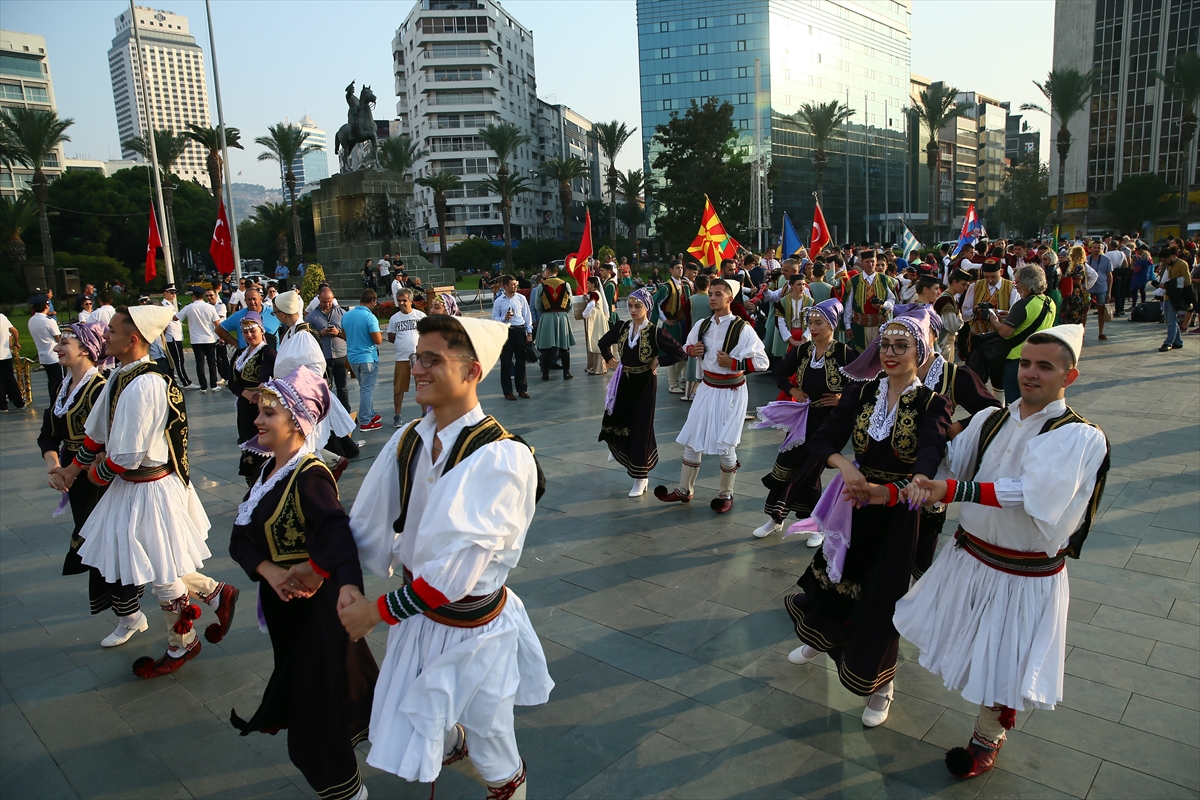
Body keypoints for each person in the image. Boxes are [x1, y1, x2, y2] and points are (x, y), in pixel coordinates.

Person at [340, 314, 553, 798]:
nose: (418, 368)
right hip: (419, 616)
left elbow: (454, 573)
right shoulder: (409, 438)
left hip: (474, 629)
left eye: (433, 360)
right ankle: (453, 738)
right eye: (418, 357)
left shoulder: (500, 457)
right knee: (421, 724)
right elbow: (366, 523)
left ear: (473, 371)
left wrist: (373, 612)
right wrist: (333, 575)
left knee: (493, 746)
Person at [894, 325, 1109, 780]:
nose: (1030, 374)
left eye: (1044, 367)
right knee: (965, 642)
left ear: (1068, 377)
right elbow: (952, 457)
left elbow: (1035, 493)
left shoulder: (1080, 437)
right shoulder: (991, 419)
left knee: (1006, 659)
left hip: (1023, 571)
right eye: (1025, 363)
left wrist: (953, 489)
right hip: (970, 555)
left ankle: (988, 735)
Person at [782, 314, 951, 728]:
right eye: (884, 345)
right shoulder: (860, 393)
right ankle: (821, 639)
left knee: (881, 597)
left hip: (897, 512)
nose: (889, 353)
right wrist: (844, 465)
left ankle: (881, 685)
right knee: (834, 577)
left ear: (920, 353)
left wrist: (918, 479)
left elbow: (929, 451)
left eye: (901, 346)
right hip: (853, 502)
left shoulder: (931, 403)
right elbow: (824, 437)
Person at [62, 304, 237, 678]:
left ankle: (182, 641)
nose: (105, 335)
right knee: (147, 557)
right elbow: (96, 432)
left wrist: (95, 475)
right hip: (136, 486)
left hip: (150, 487)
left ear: (133, 338)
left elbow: (126, 453)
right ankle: (213, 593)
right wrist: (73, 468)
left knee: (158, 567)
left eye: (111, 330)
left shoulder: (146, 383)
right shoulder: (122, 374)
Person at [228, 367, 379, 800]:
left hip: (318, 611)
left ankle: (346, 793)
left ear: (298, 420)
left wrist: (343, 586)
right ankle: (437, 741)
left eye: (269, 412)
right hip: (287, 610)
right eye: (259, 410)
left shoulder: (308, 475)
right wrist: (271, 572)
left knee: (316, 715)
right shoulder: (268, 473)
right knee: (352, 693)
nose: (258, 419)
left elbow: (337, 535)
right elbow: (239, 540)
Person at [39, 321, 146, 646]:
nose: (57, 348)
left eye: (64, 343)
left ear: (85, 348)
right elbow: (48, 433)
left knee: (107, 544)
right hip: (77, 477)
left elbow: (110, 438)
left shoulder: (100, 386)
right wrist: (55, 467)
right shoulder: (63, 388)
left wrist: (78, 467)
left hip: (100, 479)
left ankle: (130, 614)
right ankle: (131, 613)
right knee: (99, 545)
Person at [655, 279, 769, 513]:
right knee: (692, 440)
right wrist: (691, 350)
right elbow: (687, 346)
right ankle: (685, 490)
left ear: (730, 298)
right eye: (711, 294)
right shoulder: (702, 325)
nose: (713, 298)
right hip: (706, 388)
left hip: (732, 393)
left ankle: (726, 494)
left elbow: (762, 361)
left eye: (719, 294)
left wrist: (734, 362)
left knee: (726, 445)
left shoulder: (742, 328)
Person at [753, 298, 858, 542]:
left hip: (831, 423)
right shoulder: (802, 351)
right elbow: (779, 371)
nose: (813, 327)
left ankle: (815, 526)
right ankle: (776, 519)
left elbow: (864, 383)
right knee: (786, 464)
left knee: (810, 472)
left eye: (819, 322)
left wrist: (842, 398)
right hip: (804, 417)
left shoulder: (845, 353)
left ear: (832, 324)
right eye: (810, 322)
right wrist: (792, 390)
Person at [598, 288, 687, 497]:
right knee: (614, 417)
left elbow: (680, 352)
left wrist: (659, 360)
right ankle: (616, 447)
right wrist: (610, 360)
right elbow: (603, 342)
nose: (633, 310)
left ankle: (641, 477)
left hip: (645, 383)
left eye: (637, 306)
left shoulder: (655, 332)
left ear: (647, 307)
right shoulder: (622, 327)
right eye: (630, 306)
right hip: (624, 379)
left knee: (641, 427)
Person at [272, 290, 359, 478]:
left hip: (303, 398)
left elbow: (315, 367)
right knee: (304, 446)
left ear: (282, 313)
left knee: (307, 445)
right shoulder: (293, 332)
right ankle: (326, 468)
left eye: (275, 312)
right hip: (293, 397)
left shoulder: (303, 335)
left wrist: (292, 385)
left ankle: (322, 476)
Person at [978, 265, 1057, 404]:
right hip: (1039, 358)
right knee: (1032, 403)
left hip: (1017, 360)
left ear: (1027, 283)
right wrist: (1011, 316)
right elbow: (1032, 321)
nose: (1016, 286)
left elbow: (1004, 332)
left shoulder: (1023, 304)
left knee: (1015, 405)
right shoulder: (1049, 302)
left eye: (1017, 282)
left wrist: (992, 319)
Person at [229, 311, 277, 484]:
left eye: (252, 331)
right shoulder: (240, 354)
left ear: (261, 330)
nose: (249, 335)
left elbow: (265, 374)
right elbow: (231, 382)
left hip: (261, 407)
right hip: (244, 405)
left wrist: (261, 387)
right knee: (246, 441)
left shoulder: (268, 353)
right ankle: (252, 482)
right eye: (245, 332)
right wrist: (246, 393)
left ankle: (264, 481)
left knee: (262, 445)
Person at [344, 290, 383, 431]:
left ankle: (370, 413)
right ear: (372, 301)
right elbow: (378, 340)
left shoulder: (347, 315)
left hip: (353, 358)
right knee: (367, 390)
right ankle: (365, 420)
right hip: (368, 357)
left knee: (364, 388)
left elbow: (344, 335)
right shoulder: (369, 317)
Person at [307, 286, 350, 411]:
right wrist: (321, 333)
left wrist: (338, 332)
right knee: (325, 388)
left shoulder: (342, 313)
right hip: (323, 356)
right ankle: (328, 414)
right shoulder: (312, 316)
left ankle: (346, 412)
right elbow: (307, 337)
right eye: (324, 301)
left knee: (342, 387)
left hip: (341, 354)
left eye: (330, 301)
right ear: (318, 299)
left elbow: (349, 334)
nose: (327, 304)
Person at [387, 288, 425, 426]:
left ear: (410, 300)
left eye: (404, 300)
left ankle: (425, 412)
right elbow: (391, 337)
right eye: (399, 301)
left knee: (422, 384)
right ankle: (397, 415)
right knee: (399, 387)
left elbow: (426, 334)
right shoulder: (394, 318)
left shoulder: (420, 316)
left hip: (418, 356)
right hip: (401, 357)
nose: (402, 303)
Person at [843, 250, 897, 349]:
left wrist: (883, 305)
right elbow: (848, 306)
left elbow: (892, 300)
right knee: (860, 355)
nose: (870, 264)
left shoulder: (885, 280)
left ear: (876, 261)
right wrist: (848, 326)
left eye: (872, 261)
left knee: (879, 356)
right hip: (860, 326)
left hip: (880, 326)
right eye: (867, 262)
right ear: (862, 262)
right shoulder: (853, 282)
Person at [652, 261, 691, 392]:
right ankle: (672, 384)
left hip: (683, 322)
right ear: (671, 270)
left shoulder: (685, 284)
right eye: (677, 268)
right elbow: (656, 303)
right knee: (672, 352)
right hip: (673, 324)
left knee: (684, 351)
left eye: (681, 267)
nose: (680, 270)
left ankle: (680, 378)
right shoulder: (667, 287)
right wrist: (665, 319)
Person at [173, 287, 222, 393]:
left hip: (196, 340)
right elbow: (217, 323)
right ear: (203, 296)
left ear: (193, 296)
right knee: (212, 363)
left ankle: (203, 386)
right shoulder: (210, 307)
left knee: (199, 363)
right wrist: (221, 336)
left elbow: (176, 318)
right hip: (209, 338)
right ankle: (213, 385)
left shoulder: (189, 307)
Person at [492, 274, 533, 401]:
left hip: (519, 330)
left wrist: (529, 332)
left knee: (521, 361)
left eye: (516, 284)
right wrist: (504, 318)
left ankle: (522, 388)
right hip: (506, 331)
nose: (515, 286)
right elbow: (494, 319)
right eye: (512, 284)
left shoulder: (521, 298)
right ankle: (508, 391)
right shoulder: (499, 301)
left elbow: (527, 315)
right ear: (505, 286)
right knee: (506, 362)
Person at [534, 263, 575, 381]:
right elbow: (570, 303)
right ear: (557, 271)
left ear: (547, 271)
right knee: (564, 346)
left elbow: (538, 304)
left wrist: (545, 312)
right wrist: (563, 311)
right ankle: (566, 373)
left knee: (545, 347)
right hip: (562, 316)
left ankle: (545, 373)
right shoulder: (565, 284)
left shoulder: (542, 285)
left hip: (547, 316)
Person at [29, 296, 63, 402]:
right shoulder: (48, 321)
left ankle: (53, 400)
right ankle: (59, 402)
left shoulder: (31, 320)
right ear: (46, 306)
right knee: (60, 381)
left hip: (43, 355)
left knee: (51, 381)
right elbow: (59, 339)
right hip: (54, 356)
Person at [161, 284, 194, 389]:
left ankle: (172, 381)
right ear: (165, 293)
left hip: (176, 336)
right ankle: (186, 382)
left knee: (175, 360)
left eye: (175, 292)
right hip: (172, 336)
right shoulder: (164, 306)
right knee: (178, 360)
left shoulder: (170, 305)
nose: (173, 295)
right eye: (171, 292)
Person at [1159, 247, 1190, 352]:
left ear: (1171, 256)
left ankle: (1168, 342)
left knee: (1171, 320)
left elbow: (1187, 281)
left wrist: (1171, 285)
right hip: (1168, 295)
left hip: (1176, 296)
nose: (1164, 263)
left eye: (1165, 260)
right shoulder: (1170, 266)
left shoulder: (1182, 264)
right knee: (1170, 320)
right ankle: (1178, 341)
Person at [582, 277, 611, 376]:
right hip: (599, 319)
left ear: (594, 284)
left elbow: (591, 305)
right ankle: (597, 366)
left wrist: (584, 314)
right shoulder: (597, 293)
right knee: (598, 339)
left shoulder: (594, 294)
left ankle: (599, 367)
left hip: (596, 321)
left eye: (588, 283)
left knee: (596, 340)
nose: (587, 285)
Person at [1057, 245, 1091, 326]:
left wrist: (1067, 279)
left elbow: (1078, 281)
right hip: (1070, 292)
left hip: (1075, 294)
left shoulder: (1079, 266)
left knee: (1073, 316)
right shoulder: (1072, 265)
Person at [1086, 241, 1113, 341]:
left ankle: (1101, 332)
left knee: (1101, 310)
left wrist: (1109, 291)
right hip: (1089, 287)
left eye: (1099, 248)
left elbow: (1109, 275)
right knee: (1085, 309)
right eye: (1095, 247)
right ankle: (1082, 332)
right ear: (1091, 248)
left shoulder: (1106, 260)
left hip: (1102, 287)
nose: (1097, 250)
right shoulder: (1087, 259)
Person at [0, 310, 26, 411]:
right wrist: (16, 342)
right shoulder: (2, 316)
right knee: (9, 378)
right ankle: (17, 401)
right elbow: (14, 331)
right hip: (5, 353)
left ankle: (2, 405)